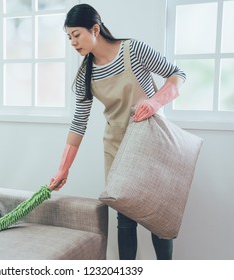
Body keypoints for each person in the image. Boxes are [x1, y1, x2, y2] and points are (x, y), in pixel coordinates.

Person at [49, 4, 186, 260]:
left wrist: (155, 102)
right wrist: (62, 169)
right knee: (124, 218)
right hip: (117, 148)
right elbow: (79, 123)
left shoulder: (133, 50)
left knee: (160, 218)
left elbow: (177, 74)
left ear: (95, 29)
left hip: (152, 143)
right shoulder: (84, 75)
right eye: (69, 37)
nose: (72, 42)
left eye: (76, 35)